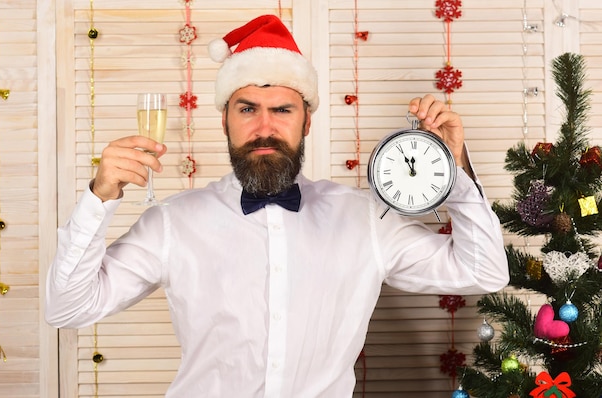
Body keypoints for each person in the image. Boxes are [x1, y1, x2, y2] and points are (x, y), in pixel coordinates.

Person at [46, 14, 508, 397]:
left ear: (307, 122)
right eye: (247, 109)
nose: (264, 126)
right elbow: (67, 308)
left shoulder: (363, 218)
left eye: (282, 110)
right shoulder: (173, 222)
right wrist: (98, 197)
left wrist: (456, 167)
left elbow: (484, 271)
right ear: (225, 121)